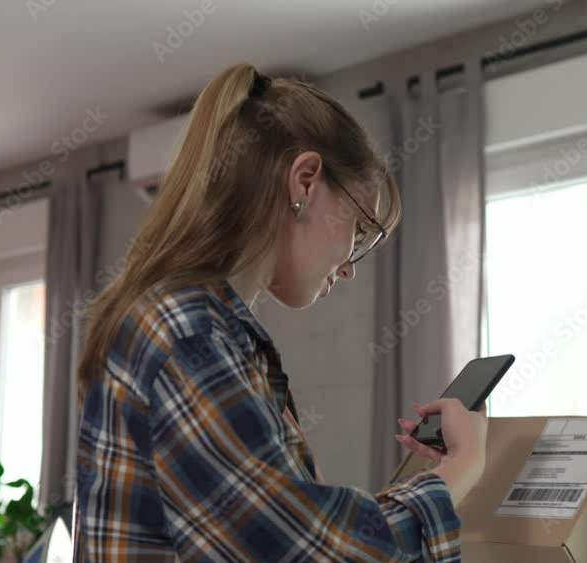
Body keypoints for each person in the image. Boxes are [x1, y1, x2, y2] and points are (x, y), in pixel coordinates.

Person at [74, 62, 489, 562]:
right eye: (359, 232)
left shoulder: (209, 330)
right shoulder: (190, 336)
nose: (351, 267)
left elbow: (295, 531)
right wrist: (462, 467)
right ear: (305, 181)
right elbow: (310, 556)